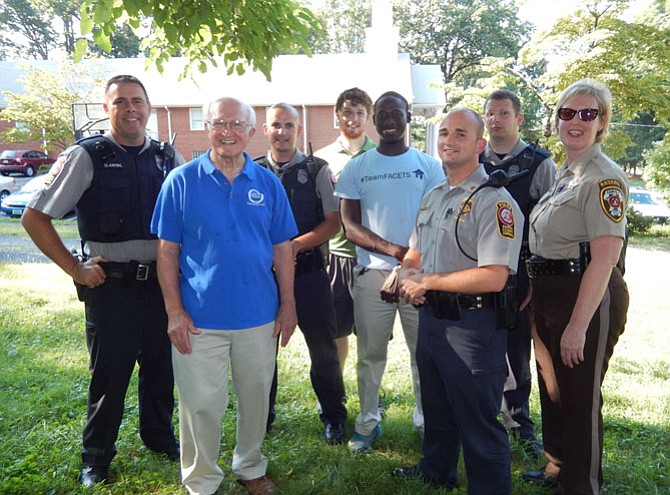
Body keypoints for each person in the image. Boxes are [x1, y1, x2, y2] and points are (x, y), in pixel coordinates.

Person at [21, 74, 182, 488]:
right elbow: (35, 217)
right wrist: (75, 269)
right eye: (121, 102)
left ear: (149, 107)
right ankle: (96, 457)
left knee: (162, 370)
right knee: (110, 376)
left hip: (163, 286)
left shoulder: (167, 158)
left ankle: (159, 437)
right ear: (107, 109)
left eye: (138, 101)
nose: (131, 108)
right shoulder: (86, 155)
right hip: (112, 288)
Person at [151, 97, 298, 495]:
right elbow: (167, 250)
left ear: (252, 132)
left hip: (259, 316)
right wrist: (174, 312)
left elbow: (283, 248)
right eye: (219, 123)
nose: (228, 131)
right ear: (208, 128)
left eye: (236, 124)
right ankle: (201, 480)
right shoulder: (181, 181)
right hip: (198, 319)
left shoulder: (268, 183)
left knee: (255, 401)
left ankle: (249, 465)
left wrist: (288, 304)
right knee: (200, 405)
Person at [391, 108, 522, 494]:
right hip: (431, 321)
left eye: (461, 134)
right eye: (444, 132)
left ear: (480, 145)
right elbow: (415, 252)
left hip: (473, 328)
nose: (449, 140)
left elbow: (495, 276)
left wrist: (428, 281)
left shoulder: (495, 202)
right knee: (437, 408)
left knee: (478, 421)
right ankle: (436, 471)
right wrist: (404, 273)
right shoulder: (433, 196)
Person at [521, 79, 628, 495]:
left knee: (580, 396)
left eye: (588, 113)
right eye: (568, 113)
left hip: (585, 294)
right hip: (547, 292)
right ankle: (557, 467)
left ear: (602, 122)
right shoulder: (566, 172)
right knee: (552, 386)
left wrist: (578, 326)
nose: (576, 121)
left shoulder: (603, 178)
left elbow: (604, 258)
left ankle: (582, 486)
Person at [335, 91, 445, 453]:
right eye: (382, 114)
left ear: (408, 116)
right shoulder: (358, 167)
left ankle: (427, 421)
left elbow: (433, 222)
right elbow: (350, 226)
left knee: (423, 354)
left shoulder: (429, 166)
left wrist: (408, 266)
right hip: (372, 278)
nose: (389, 120)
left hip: (420, 278)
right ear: (374, 118)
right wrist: (398, 255)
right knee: (369, 356)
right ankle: (367, 424)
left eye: (396, 113)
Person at [255, 103, 347, 443]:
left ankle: (334, 415)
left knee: (323, 350)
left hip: (309, 274)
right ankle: (261, 415)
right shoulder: (253, 171)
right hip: (264, 279)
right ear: (265, 130)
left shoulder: (317, 169)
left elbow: (333, 221)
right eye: (276, 125)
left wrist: (294, 247)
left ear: (298, 130)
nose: (282, 132)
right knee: (263, 350)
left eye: (288, 126)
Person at [480, 89, 556, 457]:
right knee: (477, 344)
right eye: (491, 113)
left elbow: (549, 226)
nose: (496, 119)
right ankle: (482, 413)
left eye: (504, 113)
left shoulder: (539, 163)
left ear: (518, 118)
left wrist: (533, 278)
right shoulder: (473, 159)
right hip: (476, 267)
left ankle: (519, 420)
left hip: (520, 269)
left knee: (516, 350)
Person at [315, 87, 376, 371]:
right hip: (337, 256)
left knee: (371, 335)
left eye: (360, 113)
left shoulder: (382, 155)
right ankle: (336, 391)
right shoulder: (321, 159)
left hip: (374, 257)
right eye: (347, 113)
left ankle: (370, 399)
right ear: (337, 115)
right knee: (335, 332)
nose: (353, 119)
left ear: (369, 116)